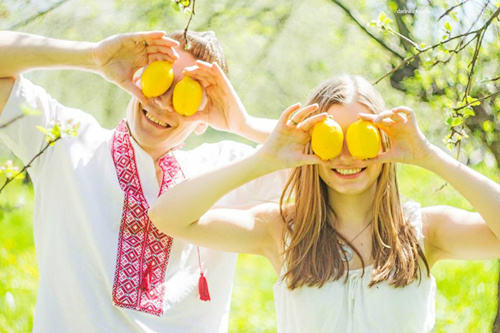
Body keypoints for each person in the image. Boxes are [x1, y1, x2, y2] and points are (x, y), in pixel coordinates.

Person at [149, 75, 500, 333]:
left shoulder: (423, 230)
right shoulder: (281, 230)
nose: (346, 155)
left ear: (384, 141)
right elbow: (168, 217)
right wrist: (267, 157)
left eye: (360, 138)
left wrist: (428, 156)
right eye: (331, 139)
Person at [0, 30, 286, 332]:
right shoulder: (68, 141)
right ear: (137, 77)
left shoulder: (226, 170)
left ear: (206, 116)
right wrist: (94, 57)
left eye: (186, 93)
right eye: (159, 78)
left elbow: (322, 162)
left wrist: (244, 124)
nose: (163, 101)